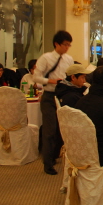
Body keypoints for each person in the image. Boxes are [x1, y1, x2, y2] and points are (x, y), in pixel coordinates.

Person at [33, 30, 74, 175]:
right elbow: (36, 78)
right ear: (56, 44)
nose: (67, 47)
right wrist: (51, 81)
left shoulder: (69, 59)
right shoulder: (46, 58)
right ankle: (47, 163)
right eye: (65, 44)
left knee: (61, 129)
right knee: (49, 130)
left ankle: (55, 155)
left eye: (69, 45)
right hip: (49, 96)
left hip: (63, 96)